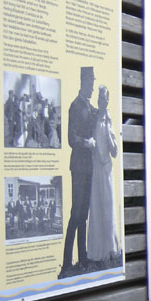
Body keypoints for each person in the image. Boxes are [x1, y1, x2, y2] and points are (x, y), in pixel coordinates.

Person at [60, 66, 97, 277]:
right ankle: (67, 262)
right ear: (84, 82)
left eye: (94, 84)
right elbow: (71, 138)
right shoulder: (75, 106)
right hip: (79, 167)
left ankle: (82, 258)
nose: (92, 88)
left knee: (84, 214)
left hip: (89, 167)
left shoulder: (90, 108)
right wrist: (87, 143)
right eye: (91, 83)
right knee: (76, 213)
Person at [87, 85, 119, 264]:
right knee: (96, 206)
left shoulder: (109, 119)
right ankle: (97, 251)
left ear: (108, 100)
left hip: (106, 167)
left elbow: (115, 152)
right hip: (95, 167)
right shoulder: (93, 116)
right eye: (100, 98)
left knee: (107, 207)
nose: (102, 101)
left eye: (105, 98)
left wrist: (109, 136)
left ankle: (110, 249)